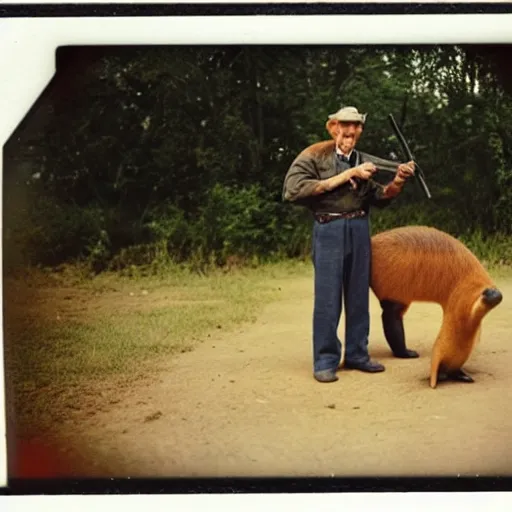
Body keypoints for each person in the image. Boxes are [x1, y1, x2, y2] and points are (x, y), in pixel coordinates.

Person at [282, 106, 415, 383]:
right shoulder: (314, 155)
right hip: (328, 228)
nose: (350, 131)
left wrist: (399, 180)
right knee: (328, 299)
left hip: (359, 228)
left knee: (358, 297)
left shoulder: (362, 160)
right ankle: (325, 361)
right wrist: (347, 175)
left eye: (355, 126)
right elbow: (293, 190)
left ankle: (357, 354)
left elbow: (381, 196)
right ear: (333, 127)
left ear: (360, 131)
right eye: (345, 125)